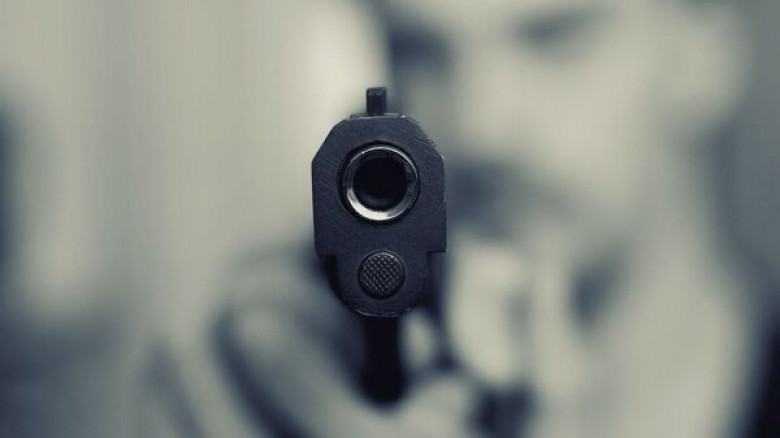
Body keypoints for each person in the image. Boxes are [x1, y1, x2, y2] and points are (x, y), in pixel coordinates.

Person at [159, 0, 779, 437]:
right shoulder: (318, 355)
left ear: (708, 43)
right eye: (419, 52)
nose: (481, 126)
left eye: (553, 36)